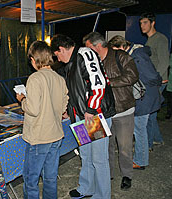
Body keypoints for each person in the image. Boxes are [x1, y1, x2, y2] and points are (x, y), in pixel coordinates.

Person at [51, 34, 116, 199]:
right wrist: (68, 110)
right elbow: (76, 91)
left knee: (99, 159)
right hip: (80, 117)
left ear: (61, 49)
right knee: (86, 154)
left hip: (92, 116)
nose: (57, 58)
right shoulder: (70, 63)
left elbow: (98, 83)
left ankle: (102, 195)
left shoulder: (84, 54)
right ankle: (87, 187)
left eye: (56, 54)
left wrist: (91, 109)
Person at [83, 32, 138, 190]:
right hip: (102, 113)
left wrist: (107, 83)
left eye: (89, 48)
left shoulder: (120, 56)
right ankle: (107, 174)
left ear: (97, 46)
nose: (87, 52)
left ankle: (127, 175)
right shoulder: (92, 61)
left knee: (124, 146)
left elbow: (133, 76)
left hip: (123, 110)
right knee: (105, 147)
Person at [16, 41, 69, 199]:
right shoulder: (59, 78)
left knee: (31, 179)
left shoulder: (35, 78)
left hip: (39, 137)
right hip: (56, 135)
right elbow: (63, 104)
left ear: (34, 59)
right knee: (50, 178)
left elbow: (33, 109)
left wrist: (22, 99)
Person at [108, 35, 162, 170]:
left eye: (117, 51)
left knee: (139, 129)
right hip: (147, 96)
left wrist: (151, 87)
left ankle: (140, 160)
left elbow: (152, 76)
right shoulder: (135, 53)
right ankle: (144, 154)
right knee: (142, 127)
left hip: (145, 97)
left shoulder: (137, 57)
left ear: (122, 47)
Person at [139, 12, 169, 149]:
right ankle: (157, 139)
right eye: (140, 23)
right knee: (152, 113)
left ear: (153, 23)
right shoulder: (149, 39)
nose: (142, 26)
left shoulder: (160, 38)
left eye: (145, 22)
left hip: (157, 81)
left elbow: (164, 62)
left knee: (148, 115)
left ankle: (147, 144)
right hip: (152, 80)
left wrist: (157, 80)